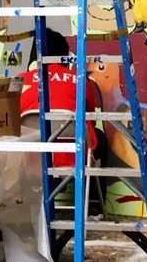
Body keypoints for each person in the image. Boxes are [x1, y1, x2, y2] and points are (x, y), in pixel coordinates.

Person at [18, 29, 105, 167]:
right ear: (65, 56)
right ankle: (92, 181)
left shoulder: (20, 80)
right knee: (100, 137)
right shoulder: (80, 80)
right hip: (74, 156)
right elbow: (90, 118)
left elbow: (11, 120)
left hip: (31, 159)